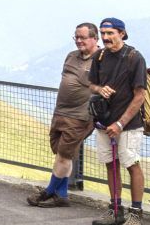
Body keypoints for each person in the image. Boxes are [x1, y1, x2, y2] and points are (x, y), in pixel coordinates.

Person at [27, 22, 99, 207]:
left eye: (83, 37)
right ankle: (62, 194)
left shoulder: (101, 60)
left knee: (63, 156)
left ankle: (48, 192)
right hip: (60, 112)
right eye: (76, 37)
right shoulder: (71, 56)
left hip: (80, 116)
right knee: (60, 153)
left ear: (94, 38)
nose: (78, 41)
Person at [89, 17, 148, 225]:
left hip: (128, 124)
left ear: (122, 33)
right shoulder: (100, 56)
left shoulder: (134, 58)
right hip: (104, 121)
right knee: (110, 164)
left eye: (110, 33)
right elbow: (91, 84)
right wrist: (99, 89)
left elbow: (140, 95)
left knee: (131, 163)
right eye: (103, 34)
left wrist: (120, 123)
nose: (105, 38)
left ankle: (136, 213)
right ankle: (115, 209)